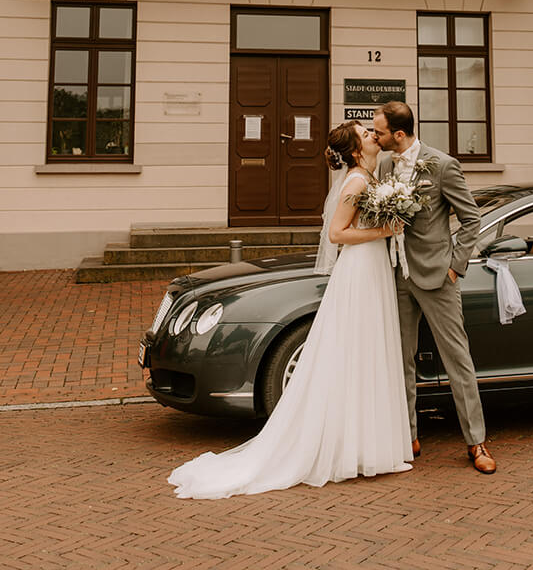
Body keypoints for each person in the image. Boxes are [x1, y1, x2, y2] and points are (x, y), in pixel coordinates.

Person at [168, 120, 412, 499]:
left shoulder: (371, 176)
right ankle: (352, 449)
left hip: (373, 268)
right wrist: (383, 231)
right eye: (365, 134)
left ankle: (368, 446)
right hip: (361, 269)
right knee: (355, 351)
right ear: (353, 150)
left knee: (367, 354)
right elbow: (336, 234)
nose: (372, 136)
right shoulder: (357, 182)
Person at [372, 101, 497, 475]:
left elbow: (471, 219)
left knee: (457, 359)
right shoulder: (383, 165)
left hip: (437, 278)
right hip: (397, 275)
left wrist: (455, 268)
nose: (375, 137)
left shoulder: (442, 165)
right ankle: (409, 434)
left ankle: (476, 442)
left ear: (398, 133)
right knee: (402, 360)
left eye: (379, 131)